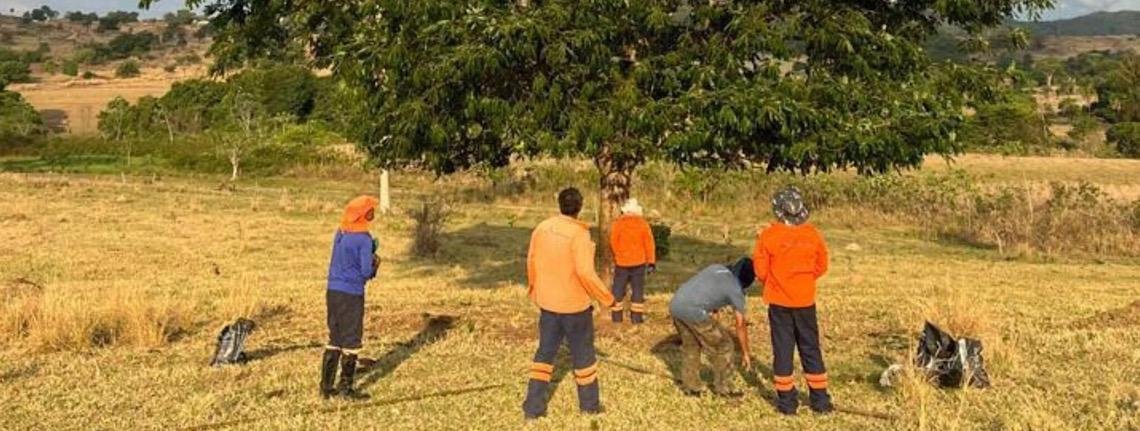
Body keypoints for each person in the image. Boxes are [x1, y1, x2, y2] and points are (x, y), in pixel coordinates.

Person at [522, 188, 617, 420]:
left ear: (559, 203)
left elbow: (531, 260)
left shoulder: (542, 228)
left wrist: (534, 290)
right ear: (580, 207)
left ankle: (533, 409)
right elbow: (585, 272)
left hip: (548, 303)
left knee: (544, 354)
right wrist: (608, 299)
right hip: (574, 307)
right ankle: (590, 407)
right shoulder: (579, 234)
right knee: (584, 356)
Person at [752, 186, 833, 415]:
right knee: (811, 349)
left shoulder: (769, 235)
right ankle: (820, 401)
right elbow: (822, 265)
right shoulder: (812, 234)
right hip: (806, 301)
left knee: (783, 350)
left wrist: (777, 282)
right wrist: (804, 280)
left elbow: (760, 269)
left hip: (779, 303)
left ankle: (787, 403)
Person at [320, 195, 380, 400]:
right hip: (352, 293)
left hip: (332, 290)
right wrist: (374, 263)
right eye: (371, 211)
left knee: (334, 337)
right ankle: (346, 388)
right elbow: (364, 272)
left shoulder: (340, 233)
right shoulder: (364, 239)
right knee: (351, 340)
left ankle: (326, 388)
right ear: (365, 215)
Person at [667, 258, 755, 397]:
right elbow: (740, 324)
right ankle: (724, 389)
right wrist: (745, 353)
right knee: (724, 346)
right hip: (694, 311)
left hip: (676, 305)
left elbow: (708, 293)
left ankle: (691, 387)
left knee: (692, 345)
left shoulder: (716, 268)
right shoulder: (735, 290)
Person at [608, 198, 656, 324]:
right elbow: (649, 244)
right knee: (637, 290)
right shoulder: (643, 224)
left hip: (622, 263)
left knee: (618, 290)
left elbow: (613, 241)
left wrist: (618, 255)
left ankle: (616, 317)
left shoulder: (618, 223)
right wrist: (651, 261)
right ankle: (636, 318)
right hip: (639, 263)